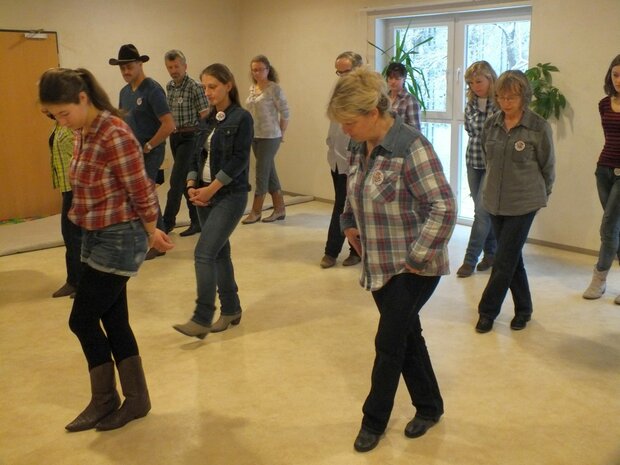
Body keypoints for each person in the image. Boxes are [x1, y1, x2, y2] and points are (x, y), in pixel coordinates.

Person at [328, 68, 457, 453]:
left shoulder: (411, 146)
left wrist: (418, 256)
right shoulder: (360, 144)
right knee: (406, 335)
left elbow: (444, 206)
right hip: (379, 262)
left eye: (350, 122)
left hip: (414, 266)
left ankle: (373, 421)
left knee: (388, 342)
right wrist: (348, 222)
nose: (345, 129)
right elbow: (353, 191)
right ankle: (430, 407)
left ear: (373, 112)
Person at [38, 67, 174, 432]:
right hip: (95, 235)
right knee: (113, 319)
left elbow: (140, 188)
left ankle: (105, 400)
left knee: (81, 319)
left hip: (119, 239)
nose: (61, 121)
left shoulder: (114, 132)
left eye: (64, 113)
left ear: (83, 98)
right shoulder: (84, 130)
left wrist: (152, 231)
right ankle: (136, 399)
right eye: (54, 116)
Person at [173, 63, 253, 338]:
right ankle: (231, 309)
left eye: (212, 86)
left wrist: (212, 189)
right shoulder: (206, 119)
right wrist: (192, 185)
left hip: (229, 195)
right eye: (204, 87)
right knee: (219, 253)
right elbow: (196, 156)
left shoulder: (242, 118)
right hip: (204, 193)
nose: (207, 92)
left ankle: (202, 317)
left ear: (228, 85)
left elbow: (239, 160)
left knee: (203, 253)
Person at [475, 70, 555, 334]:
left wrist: (543, 195)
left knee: (503, 259)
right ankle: (524, 309)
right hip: (495, 202)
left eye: (511, 97)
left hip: (524, 203)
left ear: (524, 97)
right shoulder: (492, 124)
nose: (505, 102)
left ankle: (487, 311)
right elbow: (488, 158)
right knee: (512, 258)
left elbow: (547, 166)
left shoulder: (538, 127)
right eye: (501, 97)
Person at [109, 44, 175, 260]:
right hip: (132, 152)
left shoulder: (152, 90)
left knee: (144, 193)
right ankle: (155, 235)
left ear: (140, 64)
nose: (125, 72)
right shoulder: (124, 92)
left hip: (150, 150)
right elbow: (122, 122)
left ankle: (157, 241)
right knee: (142, 194)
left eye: (129, 67)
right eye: (122, 68)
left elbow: (169, 125)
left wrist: (149, 146)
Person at [320, 51, 363, 269]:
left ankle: (336, 251)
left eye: (346, 71)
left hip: (356, 161)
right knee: (343, 205)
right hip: (337, 160)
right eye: (339, 72)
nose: (342, 76)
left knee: (347, 206)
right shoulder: (338, 90)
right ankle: (346, 250)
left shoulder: (366, 95)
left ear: (358, 69)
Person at [583, 55, 620, 302]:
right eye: (615, 75)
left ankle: (599, 279)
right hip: (604, 170)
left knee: (608, 226)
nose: (619, 80)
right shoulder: (604, 104)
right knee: (616, 228)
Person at [456, 61, 498, 277]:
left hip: (493, 164)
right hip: (473, 160)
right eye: (471, 83)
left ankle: (469, 260)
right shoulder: (471, 103)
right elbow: (470, 128)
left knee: (481, 213)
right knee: (483, 211)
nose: (475, 87)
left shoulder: (499, 102)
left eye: (479, 82)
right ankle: (491, 254)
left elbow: (493, 131)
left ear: (490, 79)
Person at [162, 49, 209, 237]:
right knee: (184, 181)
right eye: (170, 67)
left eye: (177, 66)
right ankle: (196, 221)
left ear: (185, 66)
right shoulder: (169, 87)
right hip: (175, 136)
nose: (174, 71)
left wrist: (201, 141)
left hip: (191, 137)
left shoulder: (195, 86)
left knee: (175, 181)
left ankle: (167, 222)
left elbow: (205, 115)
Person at [242, 55, 290, 224]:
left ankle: (256, 211)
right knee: (269, 172)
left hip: (270, 136)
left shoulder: (274, 89)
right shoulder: (252, 88)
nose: (257, 73)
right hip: (255, 135)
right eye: (254, 70)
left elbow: (285, 112)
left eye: (260, 69)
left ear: (268, 70)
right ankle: (280, 209)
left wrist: (282, 132)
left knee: (261, 172)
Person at [44, 114, 82, 298]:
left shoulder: (73, 125)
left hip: (76, 186)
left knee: (73, 235)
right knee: (70, 235)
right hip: (66, 186)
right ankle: (74, 280)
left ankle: (79, 282)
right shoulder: (57, 125)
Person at [385, 62, 421, 130]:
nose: (393, 81)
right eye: (390, 78)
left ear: (404, 79)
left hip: (401, 136)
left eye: (397, 78)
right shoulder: (383, 98)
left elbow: (415, 131)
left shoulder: (410, 100)